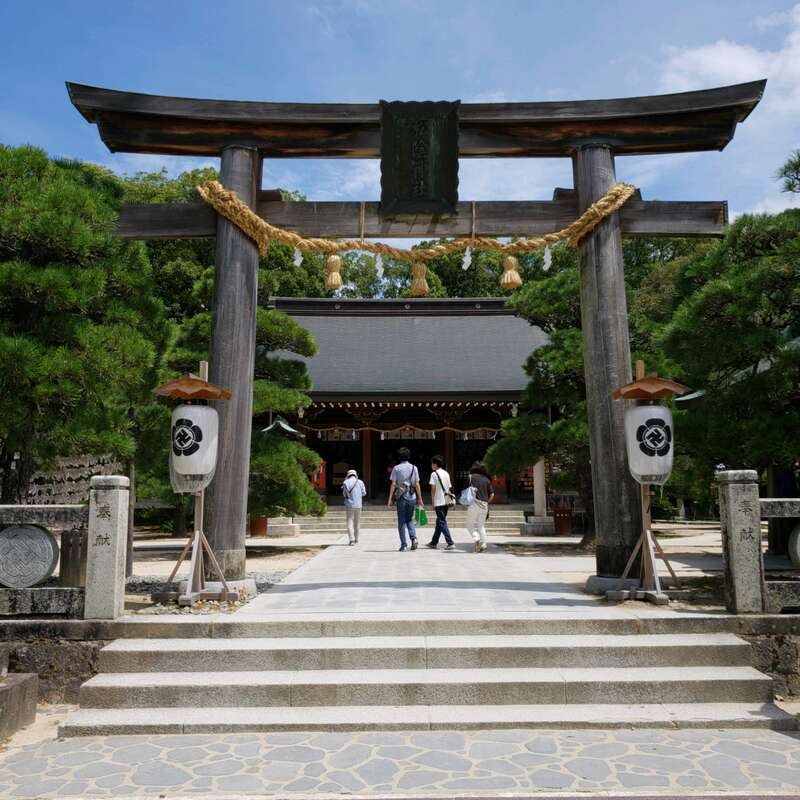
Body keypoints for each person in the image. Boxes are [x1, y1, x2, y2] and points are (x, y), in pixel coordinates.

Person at [387, 446, 424, 551]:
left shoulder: (396, 468)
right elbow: (417, 484)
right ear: (408, 456)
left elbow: (393, 484)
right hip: (412, 496)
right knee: (410, 519)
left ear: (399, 457)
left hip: (401, 497)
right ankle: (414, 539)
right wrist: (420, 498)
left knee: (402, 521)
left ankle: (404, 545)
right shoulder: (414, 468)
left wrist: (390, 499)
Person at [426, 454, 454, 550]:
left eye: (432, 463)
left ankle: (450, 542)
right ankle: (434, 542)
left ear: (435, 464)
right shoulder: (446, 473)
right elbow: (449, 487)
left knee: (441, 522)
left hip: (439, 501)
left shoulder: (434, 474)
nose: (431, 465)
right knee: (440, 521)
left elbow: (433, 489)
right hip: (446, 501)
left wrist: (433, 502)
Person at [465, 461, 494, 552]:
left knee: (469, 525)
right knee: (481, 526)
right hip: (484, 505)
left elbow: (465, 490)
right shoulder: (486, 479)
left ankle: (476, 538)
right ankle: (484, 544)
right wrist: (486, 502)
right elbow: (492, 494)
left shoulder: (471, 477)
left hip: (474, 504)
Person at [342, 469, 366, 545]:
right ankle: (356, 539)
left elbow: (344, 494)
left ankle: (351, 540)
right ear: (355, 475)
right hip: (358, 504)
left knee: (350, 521)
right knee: (357, 522)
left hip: (349, 505)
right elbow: (364, 493)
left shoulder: (345, 482)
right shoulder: (360, 482)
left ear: (348, 475)